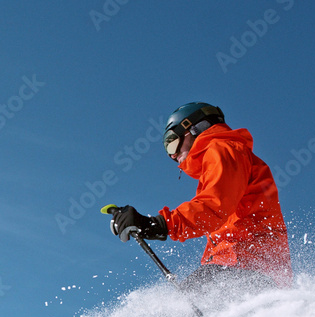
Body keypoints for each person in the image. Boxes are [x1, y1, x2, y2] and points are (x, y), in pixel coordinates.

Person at [109, 102, 293, 294]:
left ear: (194, 128)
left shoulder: (223, 148)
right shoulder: (227, 155)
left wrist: (158, 224)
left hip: (240, 266)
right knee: (175, 315)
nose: (173, 156)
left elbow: (214, 205)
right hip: (247, 269)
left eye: (171, 142)